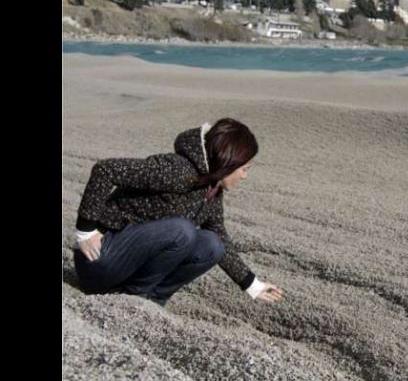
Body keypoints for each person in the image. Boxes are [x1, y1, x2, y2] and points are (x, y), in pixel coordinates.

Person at [72, 118, 284, 307]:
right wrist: (85, 231)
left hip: (127, 269)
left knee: (213, 244)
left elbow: (220, 239)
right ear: (229, 161)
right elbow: (105, 170)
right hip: (101, 260)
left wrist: (253, 285)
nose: (245, 176)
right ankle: (133, 298)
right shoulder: (176, 169)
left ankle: (151, 302)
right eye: (245, 169)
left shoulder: (211, 191)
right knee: (182, 231)